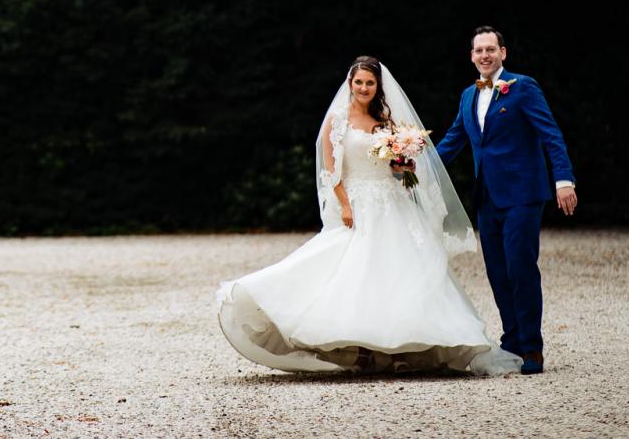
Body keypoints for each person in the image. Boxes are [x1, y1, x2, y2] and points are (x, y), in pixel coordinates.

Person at [216, 57, 519, 376]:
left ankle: (406, 349)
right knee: (355, 272)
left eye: (370, 83)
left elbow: (394, 167)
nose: (363, 88)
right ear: (350, 84)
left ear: (378, 87)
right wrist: (345, 206)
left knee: (400, 273)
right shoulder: (337, 119)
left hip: (392, 202)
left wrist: (404, 166)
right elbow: (330, 170)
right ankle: (361, 350)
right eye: (359, 82)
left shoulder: (386, 119)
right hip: (358, 203)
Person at [434, 26, 576, 375]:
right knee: (497, 273)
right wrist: (413, 167)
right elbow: (453, 140)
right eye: (478, 50)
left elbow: (550, 134)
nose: (485, 55)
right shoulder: (469, 95)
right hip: (487, 198)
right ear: (471, 56)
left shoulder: (523, 87)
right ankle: (511, 341)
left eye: (490, 50)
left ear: (503, 53)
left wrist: (563, 179)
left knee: (520, 268)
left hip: (523, 195)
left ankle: (532, 348)